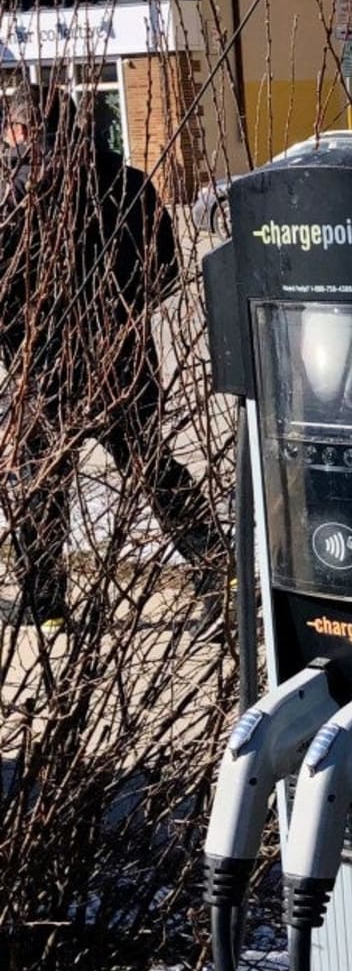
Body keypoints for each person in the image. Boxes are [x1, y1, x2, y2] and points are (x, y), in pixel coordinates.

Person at [0, 87, 225, 631]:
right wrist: (119, 317)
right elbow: (166, 269)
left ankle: (46, 600)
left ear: (25, 132)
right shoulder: (128, 183)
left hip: (50, 372)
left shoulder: (18, 199)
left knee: (41, 483)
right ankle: (218, 570)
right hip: (123, 365)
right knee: (151, 468)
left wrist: (21, 358)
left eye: (12, 129)